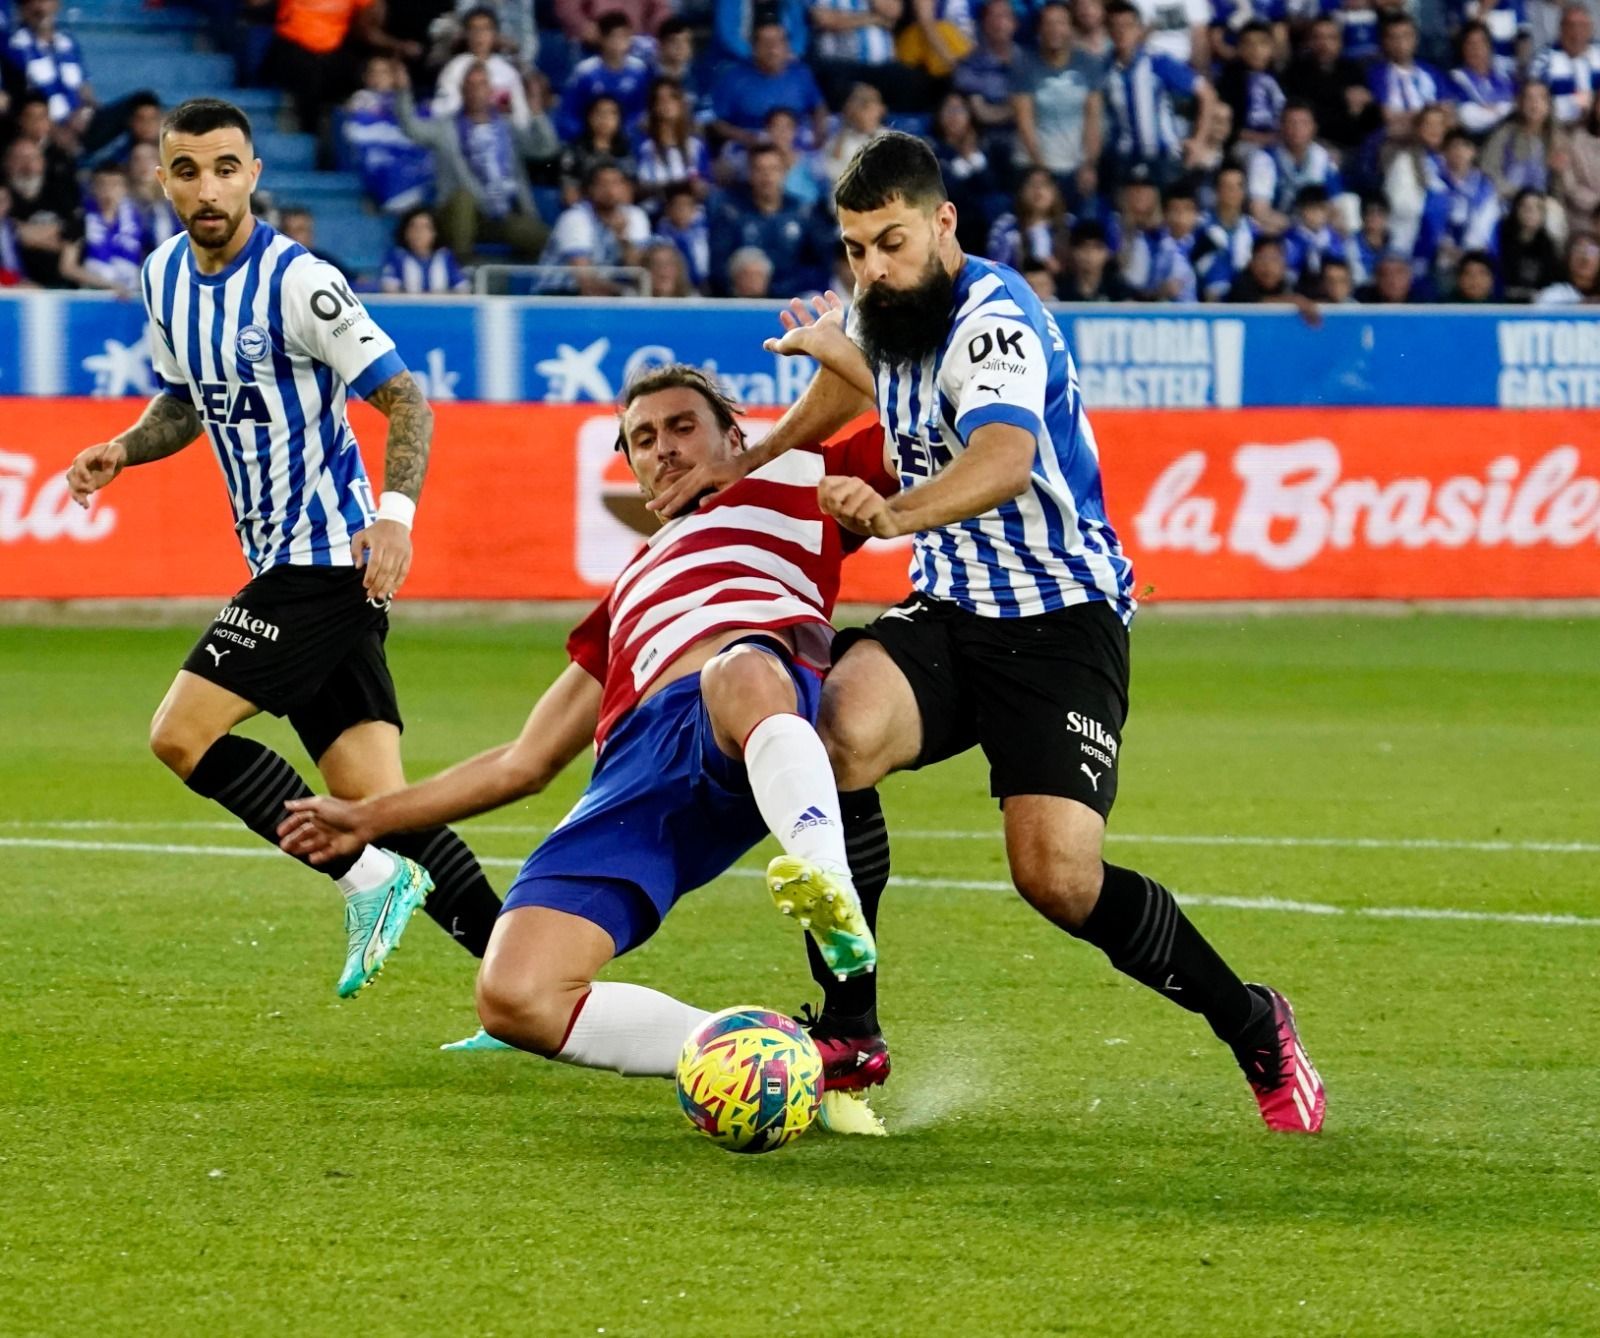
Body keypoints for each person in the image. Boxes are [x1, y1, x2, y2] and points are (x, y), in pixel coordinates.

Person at [649, 131, 1327, 1134]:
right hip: (954, 611)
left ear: (943, 223)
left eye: (890, 243)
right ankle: (849, 1027)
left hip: (1061, 621)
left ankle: (1252, 1020)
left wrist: (894, 511)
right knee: (831, 741)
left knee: (1055, 878)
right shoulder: (881, 303)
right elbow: (851, 375)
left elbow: (1005, 457)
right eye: (854, 249)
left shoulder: (993, 321)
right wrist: (746, 458)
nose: (872, 269)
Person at [278, 364, 893, 1116]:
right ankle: (763, 1060)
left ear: (734, 433)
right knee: (513, 995)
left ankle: (825, 879)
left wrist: (851, 352)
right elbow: (523, 761)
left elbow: (927, 428)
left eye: (681, 426)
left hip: (741, 713)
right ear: (631, 469)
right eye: (642, 438)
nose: (662, 447)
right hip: (635, 778)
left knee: (740, 672)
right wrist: (369, 818)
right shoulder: (627, 592)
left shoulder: (796, 477)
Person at [62, 98, 503, 1000]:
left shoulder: (301, 283)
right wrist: (124, 448)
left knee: (179, 738)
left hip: (328, 562)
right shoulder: (161, 281)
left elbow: (406, 399)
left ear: (255, 173)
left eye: (226, 167)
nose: (208, 187)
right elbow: (183, 402)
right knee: (384, 806)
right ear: (163, 180)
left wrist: (396, 517)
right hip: (282, 564)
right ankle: (530, 986)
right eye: (187, 170)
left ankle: (367, 883)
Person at [381, 206, 471, 293]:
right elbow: (389, 289)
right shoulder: (396, 257)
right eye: (413, 227)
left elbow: (463, 288)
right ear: (406, 233)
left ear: (434, 233)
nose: (418, 232)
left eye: (425, 227)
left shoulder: (445, 257)